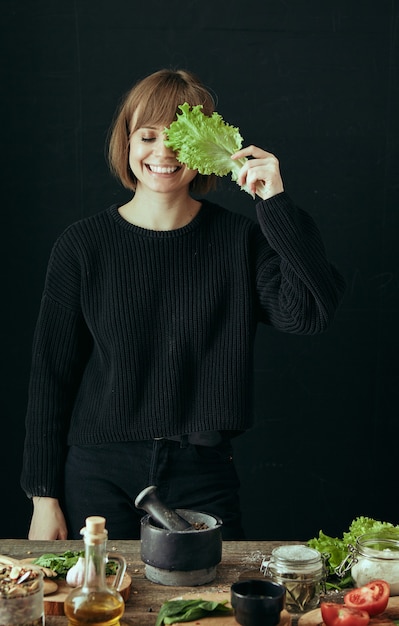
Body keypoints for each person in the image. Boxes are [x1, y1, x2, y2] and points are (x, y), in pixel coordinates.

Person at [20, 68, 345, 541]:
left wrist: (274, 202)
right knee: (96, 608)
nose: (163, 152)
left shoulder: (240, 241)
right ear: (126, 144)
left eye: (179, 138)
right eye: (147, 136)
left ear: (206, 151)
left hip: (202, 472)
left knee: (207, 611)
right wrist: (43, 496)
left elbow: (310, 312)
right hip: (96, 471)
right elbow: (51, 373)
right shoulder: (83, 245)